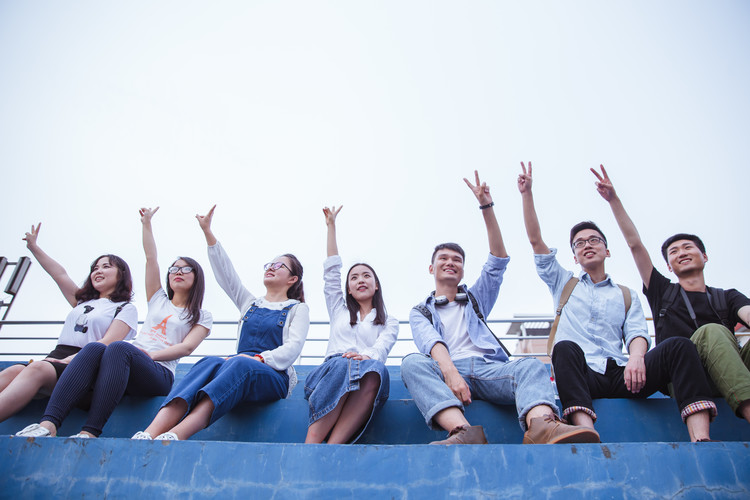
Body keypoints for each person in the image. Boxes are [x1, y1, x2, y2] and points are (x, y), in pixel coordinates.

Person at [517, 162, 715, 442]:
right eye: (579, 243)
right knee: (564, 348)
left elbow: (636, 333)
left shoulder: (625, 293)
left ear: (606, 250)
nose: (587, 245)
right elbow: (536, 241)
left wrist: (636, 357)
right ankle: (586, 432)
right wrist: (527, 194)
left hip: (623, 374)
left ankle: (701, 439)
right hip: (585, 376)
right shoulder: (564, 283)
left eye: (594, 240)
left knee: (680, 346)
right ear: (574, 257)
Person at [401, 171, 599, 445]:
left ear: (462, 270)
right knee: (412, 363)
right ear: (431, 268)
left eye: (457, 259)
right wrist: (451, 374)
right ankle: (463, 432)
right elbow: (431, 342)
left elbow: (498, 259)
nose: (450, 262)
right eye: (443, 258)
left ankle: (543, 427)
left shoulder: (475, 298)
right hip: (449, 371)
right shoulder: (420, 311)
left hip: (490, 370)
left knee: (530, 365)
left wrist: (486, 207)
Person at [15, 208, 213, 438]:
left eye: (186, 269)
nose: (178, 272)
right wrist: (146, 223)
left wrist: (150, 356)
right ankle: (48, 424)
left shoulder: (202, 314)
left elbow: (187, 347)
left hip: (159, 372)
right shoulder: (158, 299)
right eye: (174, 269)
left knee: (119, 347)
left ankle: (90, 432)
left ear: (196, 277)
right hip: (126, 362)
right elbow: (151, 259)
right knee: (95, 347)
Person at [132, 205, 309, 441]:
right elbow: (226, 274)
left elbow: (292, 349)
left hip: (272, 375)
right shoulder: (250, 303)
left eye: (279, 266)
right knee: (207, 362)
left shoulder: (297, 308)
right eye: (269, 264)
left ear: (293, 279)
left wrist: (257, 358)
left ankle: (176, 434)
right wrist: (208, 232)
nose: (271, 268)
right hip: (236, 367)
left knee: (239, 365)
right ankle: (149, 432)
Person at [593, 165, 750, 424]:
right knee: (712, 331)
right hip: (686, 377)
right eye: (674, 252)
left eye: (688, 247)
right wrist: (614, 200)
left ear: (705, 256)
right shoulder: (663, 291)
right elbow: (635, 245)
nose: (682, 252)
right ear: (668, 266)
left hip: (730, 369)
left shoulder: (727, 296)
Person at [1, 224, 138, 425]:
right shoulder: (82, 302)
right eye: (95, 268)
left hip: (86, 366)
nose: (98, 271)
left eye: (106, 266)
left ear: (121, 274)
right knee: (14, 370)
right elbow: (59, 274)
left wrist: (67, 361)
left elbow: (108, 342)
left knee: (37, 368)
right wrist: (34, 247)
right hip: (56, 358)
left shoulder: (124, 308)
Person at [304, 206, 399, 444]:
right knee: (344, 365)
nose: (360, 280)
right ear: (348, 288)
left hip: (365, 373)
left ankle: (335, 445)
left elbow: (381, 349)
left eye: (366, 275)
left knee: (377, 371)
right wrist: (331, 227)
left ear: (376, 285)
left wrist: (363, 356)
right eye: (354, 278)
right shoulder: (338, 309)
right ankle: (312, 443)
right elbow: (332, 272)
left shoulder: (390, 322)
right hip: (330, 373)